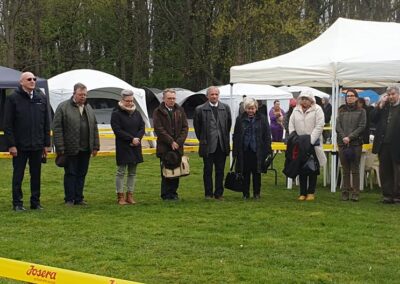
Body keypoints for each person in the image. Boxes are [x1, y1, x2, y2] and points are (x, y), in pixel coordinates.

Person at [4, 72, 50, 211]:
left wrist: (46, 144)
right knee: (18, 175)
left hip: (37, 144)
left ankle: (35, 202)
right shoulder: (13, 98)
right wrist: (11, 144)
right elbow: (8, 124)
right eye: (29, 79)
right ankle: (17, 203)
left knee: (36, 175)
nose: (32, 81)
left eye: (34, 79)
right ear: (21, 82)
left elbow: (46, 122)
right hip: (20, 146)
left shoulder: (41, 97)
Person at [53, 83, 100, 206]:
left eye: (85, 94)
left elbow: (94, 127)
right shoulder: (63, 107)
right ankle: (69, 198)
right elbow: (57, 129)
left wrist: (95, 146)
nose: (83, 97)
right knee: (70, 173)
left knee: (82, 173)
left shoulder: (88, 108)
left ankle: (79, 198)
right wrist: (60, 148)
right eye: (80, 94)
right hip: (70, 148)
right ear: (74, 93)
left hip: (86, 148)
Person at [193, 86, 231, 200]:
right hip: (207, 145)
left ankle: (219, 194)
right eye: (212, 94)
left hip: (221, 145)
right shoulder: (200, 109)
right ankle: (208, 194)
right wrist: (203, 139)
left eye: (216, 94)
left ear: (218, 95)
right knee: (208, 170)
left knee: (220, 171)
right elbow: (197, 128)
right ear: (207, 96)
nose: (214, 96)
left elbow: (228, 125)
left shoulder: (225, 108)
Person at [289, 90, 326, 201]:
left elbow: (320, 125)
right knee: (301, 169)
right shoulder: (296, 110)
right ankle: (302, 192)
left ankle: (311, 192)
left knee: (312, 168)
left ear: (311, 100)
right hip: (299, 143)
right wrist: (295, 138)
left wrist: (310, 140)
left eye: (306, 99)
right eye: (303, 99)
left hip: (313, 144)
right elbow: (291, 125)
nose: (304, 101)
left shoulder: (318, 109)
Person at [233, 98, 272, 199]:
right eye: (248, 108)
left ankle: (256, 193)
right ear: (245, 108)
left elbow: (267, 135)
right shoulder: (239, 119)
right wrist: (235, 151)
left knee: (257, 173)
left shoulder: (262, 118)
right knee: (245, 173)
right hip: (245, 150)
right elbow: (236, 136)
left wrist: (268, 149)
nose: (251, 110)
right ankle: (245, 193)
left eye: (253, 108)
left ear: (256, 108)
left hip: (258, 150)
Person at [153, 89, 188, 201]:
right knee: (166, 171)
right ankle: (165, 194)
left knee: (177, 171)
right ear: (164, 99)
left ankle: (174, 193)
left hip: (177, 147)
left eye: (173, 98)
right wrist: (171, 141)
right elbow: (159, 129)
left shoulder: (180, 110)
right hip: (165, 147)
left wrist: (178, 142)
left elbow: (185, 127)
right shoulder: (158, 111)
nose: (172, 100)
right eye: (169, 98)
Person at [111, 89, 145, 205]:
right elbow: (117, 130)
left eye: (131, 100)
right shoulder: (116, 113)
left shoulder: (137, 113)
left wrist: (138, 139)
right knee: (121, 172)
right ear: (122, 100)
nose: (130, 103)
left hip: (135, 146)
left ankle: (130, 195)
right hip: (123, 146)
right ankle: (120, 196)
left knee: (132, 173)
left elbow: (142, 127)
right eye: (127, 101)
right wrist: (131, 139)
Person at [370, 86, 400, 204]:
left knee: (398, 171)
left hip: (397, 144)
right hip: (383, 144)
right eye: (389, 94)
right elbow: (372, 118)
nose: (391, 97)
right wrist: (379, 105)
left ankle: (397, 196)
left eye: (393, 94)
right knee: (385, 170)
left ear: (398, 94)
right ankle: (387, 195)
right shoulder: (384, 107)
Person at [336, 89, 366, 201]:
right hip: (342, 143)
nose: (350, 97)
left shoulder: (361, 111)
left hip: (356, 143)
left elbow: (362, 126)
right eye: (348, 96)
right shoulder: (341, 110)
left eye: (352, 95)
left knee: (355, 169)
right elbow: (337, 126)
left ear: (356, 97)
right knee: (345, 169)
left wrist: (350, 137)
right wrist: (344, 137)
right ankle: (345, 192)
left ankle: (355, 193)